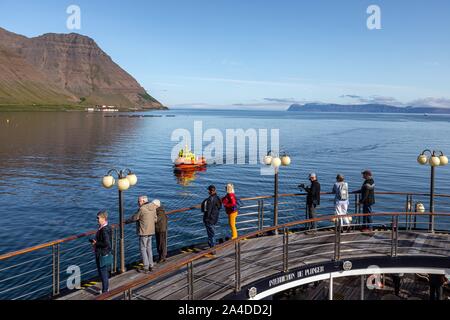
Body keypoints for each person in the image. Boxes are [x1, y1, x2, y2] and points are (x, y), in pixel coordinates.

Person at [126, 195, 158, 273]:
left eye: (139, 201)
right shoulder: (153, 207)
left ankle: (146, 267)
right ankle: (151, 265)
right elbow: (155, 219)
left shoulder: (142, 209)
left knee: (143, 249)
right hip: (151, 231)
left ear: (143, 201)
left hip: (143, 231)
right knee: (149, 248)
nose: (138, 203)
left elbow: (135, 218)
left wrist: (126, 221)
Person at [91, 210, 112, 294]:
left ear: (103, 218)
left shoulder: (104, 229)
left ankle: (105, 291)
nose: (97, 219)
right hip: (105, 252)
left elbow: (106, 243)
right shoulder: (107, 227)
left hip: (102, 253)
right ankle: (105, 288)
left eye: (98, 218)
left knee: (102, 272)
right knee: (104, 271)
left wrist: (96, 243)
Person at [201, 185, 222, 252]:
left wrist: (206, 219)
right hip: (215, 218)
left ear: (210, 191)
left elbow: (208, 211)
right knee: (212, 233)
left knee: (211, 234)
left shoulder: (210, 200)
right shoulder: (217, 198)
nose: (208, 192)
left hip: (209, 219)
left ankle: (213, 249)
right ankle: (212, 246)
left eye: (208, 190)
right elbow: (219, 207)